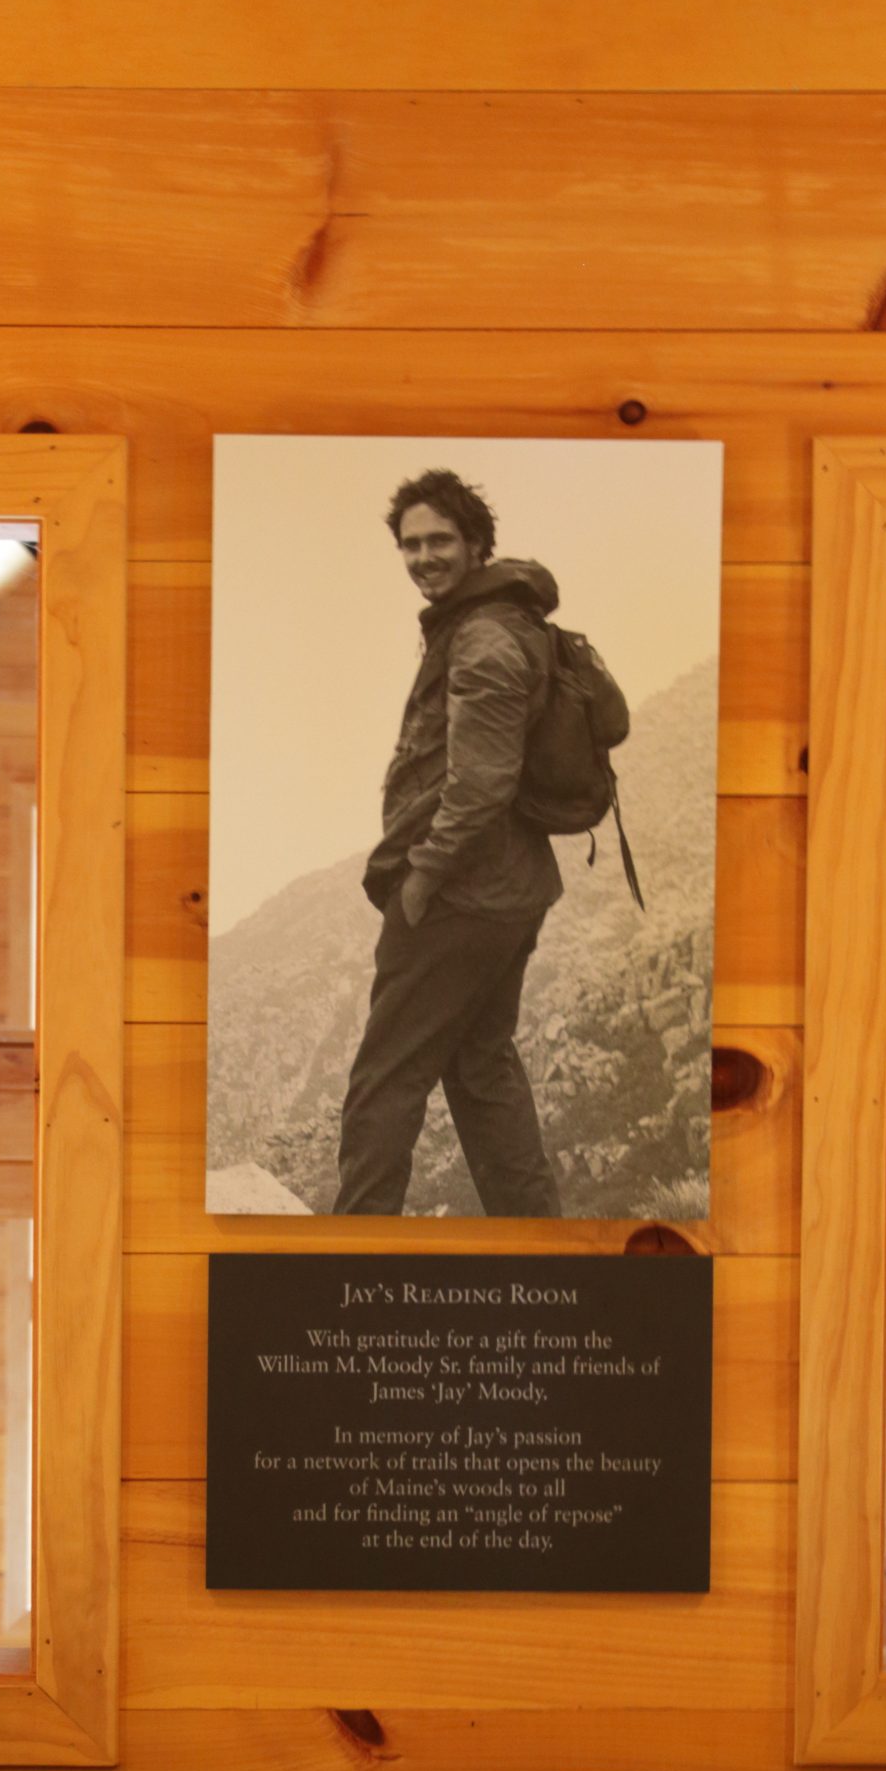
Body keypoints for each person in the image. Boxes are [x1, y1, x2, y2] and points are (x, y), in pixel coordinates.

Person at [334, 469, 563, 1217]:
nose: (423, 556)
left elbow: (481, 785)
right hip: (509, 887)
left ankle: (347, 1256)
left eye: (439, 540)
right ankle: (538, 1241)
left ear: (474, 543)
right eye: (410, 544)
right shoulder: (495, 621)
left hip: (462, 893)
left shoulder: (485, 638)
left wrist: (420, 881)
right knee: (480, 1067)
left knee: (384, 1079)